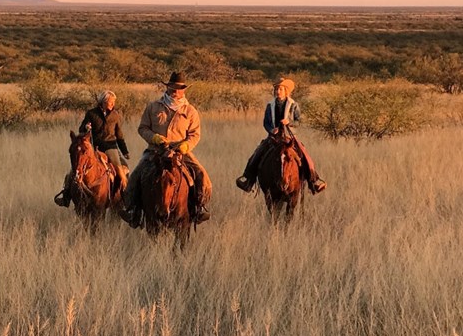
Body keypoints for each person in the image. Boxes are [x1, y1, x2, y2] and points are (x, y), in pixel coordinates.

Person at [120, 72, 213, 226]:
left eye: (179, 88)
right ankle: (133, 210)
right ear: (168, 87)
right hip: (155, 150)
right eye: (173, 87)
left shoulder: (190, 111)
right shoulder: (153, 106)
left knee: (202, 175)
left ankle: (199, 208)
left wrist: (185, 145)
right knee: (135, 176)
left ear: (184, 90)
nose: (176, 91)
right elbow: (143, 128)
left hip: (180, 151)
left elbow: (195, 134)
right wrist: (154, 138)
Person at [235, 78, 327, 194]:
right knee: (257, 153)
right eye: (277, 89)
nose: (278, 91)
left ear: (286, 91)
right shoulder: (270, 105)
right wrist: (271, 130)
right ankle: (248, 180)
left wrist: (289, 122)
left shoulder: (293, 105)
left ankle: (313, 181)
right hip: (273, 137)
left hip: (289, 137)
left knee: (304, 154)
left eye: (281, 89)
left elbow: (299, 121)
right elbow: (266, 122)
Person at [54, 91, 130, 207]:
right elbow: (81, 129)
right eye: (110, 102)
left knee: (122, 169)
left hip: (110, 147)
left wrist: (125, 151)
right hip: (94, 147)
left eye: (113, 102)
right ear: (103, 102)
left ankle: (125, 198)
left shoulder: (115, 115)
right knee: (73, 171)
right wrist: (86, 127)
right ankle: (66, 196)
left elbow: (119, 135)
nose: (112, 104)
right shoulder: (91, 113)